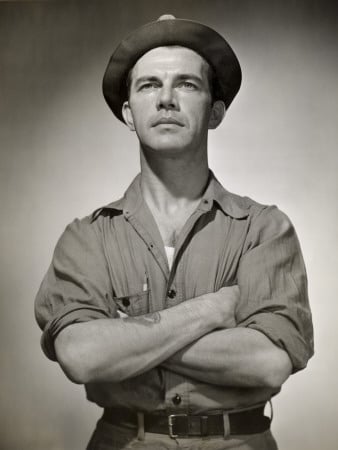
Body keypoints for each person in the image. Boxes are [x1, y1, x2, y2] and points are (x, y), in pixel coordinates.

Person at [35, 15, 314, 450]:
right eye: (148, 85)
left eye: (186, 84)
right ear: (129, 113)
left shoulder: (264, 229)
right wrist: (210, 311)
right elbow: (82, 356)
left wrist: (126, 337)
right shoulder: (87, 237)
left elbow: (267, 363)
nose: (165, 99)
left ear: (215, 111)